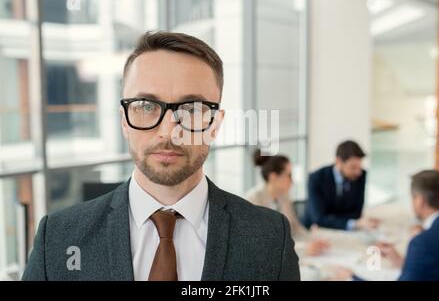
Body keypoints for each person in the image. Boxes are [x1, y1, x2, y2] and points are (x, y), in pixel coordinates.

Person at [22, 31, 300, 281]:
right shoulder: (58, 237)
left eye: (191, 109)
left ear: (215, 124)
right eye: (145, 106)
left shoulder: (270, 238)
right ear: (124, 121)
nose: (169, 131)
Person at [334, 169, 439, 281]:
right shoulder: (428, 238)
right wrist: (402, 262)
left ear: (420, 200)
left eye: (412, 198)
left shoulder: (422, 243)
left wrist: (350, 278)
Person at [246, 150, 330, 256]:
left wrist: (313, 240)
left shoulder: (284, 196)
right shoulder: (253, 200)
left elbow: (295, 228)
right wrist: (302, 249)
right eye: (289, 175)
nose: (292, 180)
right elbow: (263, 243)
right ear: (273, 177)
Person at [303, 140, 380, 231]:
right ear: (338, 161)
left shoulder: (361, 175)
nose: (358, 172)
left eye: (359, 167)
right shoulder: (316, 178)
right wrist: (353, 223)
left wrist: (332, 220)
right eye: (353, 167)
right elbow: (319, 219)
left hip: (343, 231)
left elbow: (357, 213)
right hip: (311, 231)